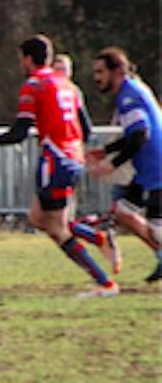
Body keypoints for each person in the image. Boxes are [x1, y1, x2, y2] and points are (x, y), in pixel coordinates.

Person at [0, 34, 118, 298]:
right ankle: (98, 239)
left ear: (27, 59)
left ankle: (104, 282)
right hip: (71, 158)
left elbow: (19, 131)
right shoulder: (68, 85)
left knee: (56, 228)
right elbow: (85, 128)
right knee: (38, 218)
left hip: (56, 160)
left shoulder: (34, 85)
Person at [87, 47, 162, 283]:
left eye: (101, 72)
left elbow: (141, 135)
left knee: (156, 229)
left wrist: (112, 164)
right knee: (124, 212)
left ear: (116, 71)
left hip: (157, 170)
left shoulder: (128, 96)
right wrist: (106, 151)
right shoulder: (131, 90)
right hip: (149, 171)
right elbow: (134, 135)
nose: (97, 77)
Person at [51, 54, 123, 270]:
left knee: (56, 221)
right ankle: (99, 239)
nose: (59, 73)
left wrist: (71, 148)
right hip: (62, 159)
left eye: (63, 69)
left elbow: (86, 127)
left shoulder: (69, 92)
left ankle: (100, 240)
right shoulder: (62, 91)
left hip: (65, 160)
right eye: (56, 69)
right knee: (58, 220)